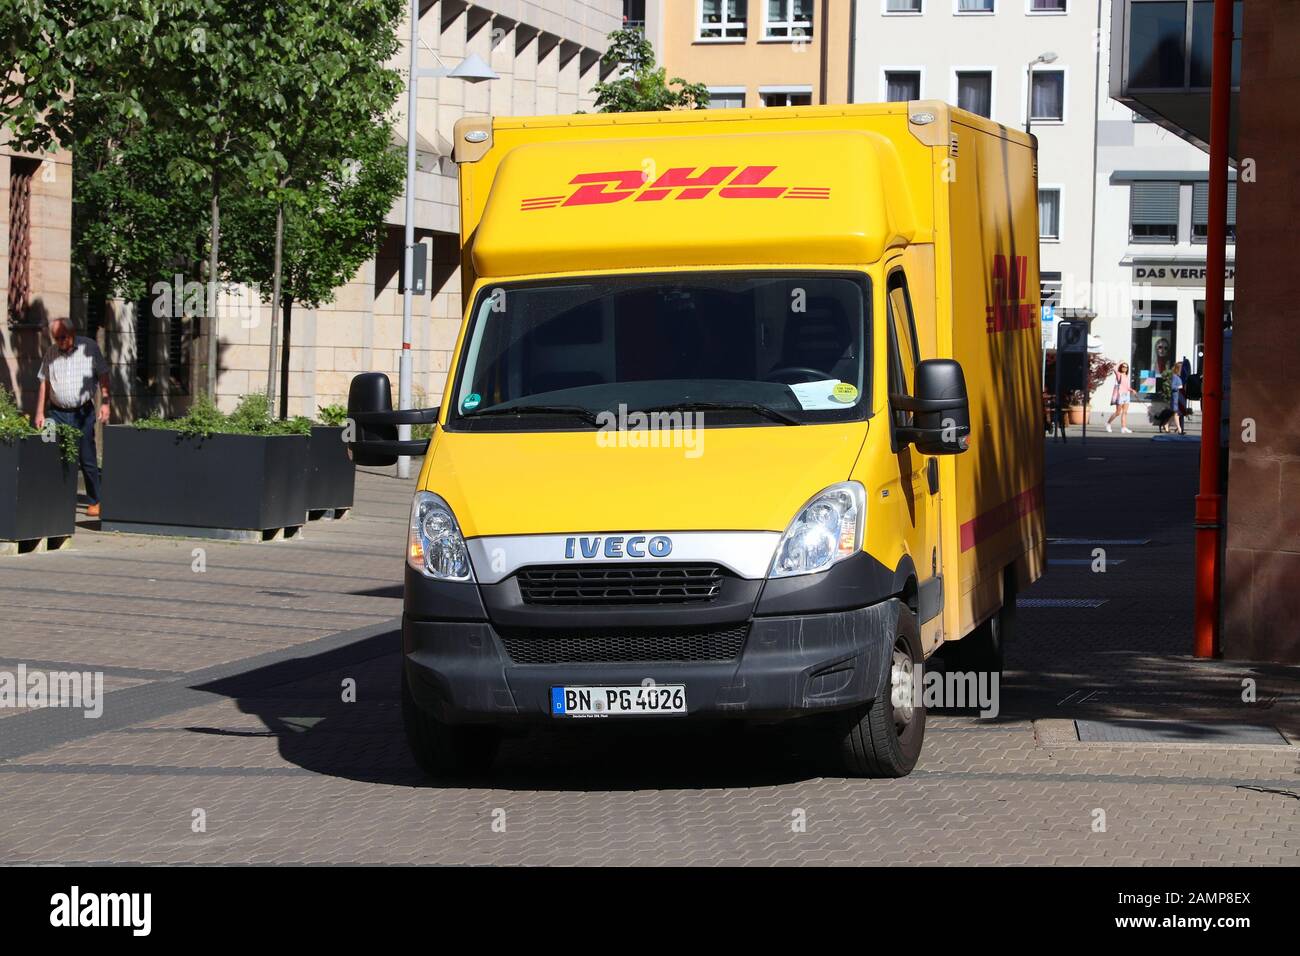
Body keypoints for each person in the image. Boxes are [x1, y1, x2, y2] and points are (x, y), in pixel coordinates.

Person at [33, 318, 110, 517]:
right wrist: (40, 412)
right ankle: (53, 497)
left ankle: (95, 500)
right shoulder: (51, 352)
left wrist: (105, 403)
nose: (59, 341)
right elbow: (44, 382)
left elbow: (103, 375)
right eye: (56, 338)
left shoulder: (89, 347)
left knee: (86, 457)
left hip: (82, 412)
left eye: (62, 337)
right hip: (56, 413)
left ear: (72, 334)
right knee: (51, 454)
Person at [1105, 362, 1138, 433]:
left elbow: (1127, 387)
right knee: (1118, 412)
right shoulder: (1119, 374)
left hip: (1126, 395)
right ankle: (1108, 423)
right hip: (1120, 395)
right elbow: (1114, 368)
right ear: (1121, 367)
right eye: (1123, 366)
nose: (1124, 368)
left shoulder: (1126, 376)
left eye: (1126, 367)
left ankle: (1123, 427)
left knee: (1125, 412)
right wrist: (1120, 362)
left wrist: (1132, 390)